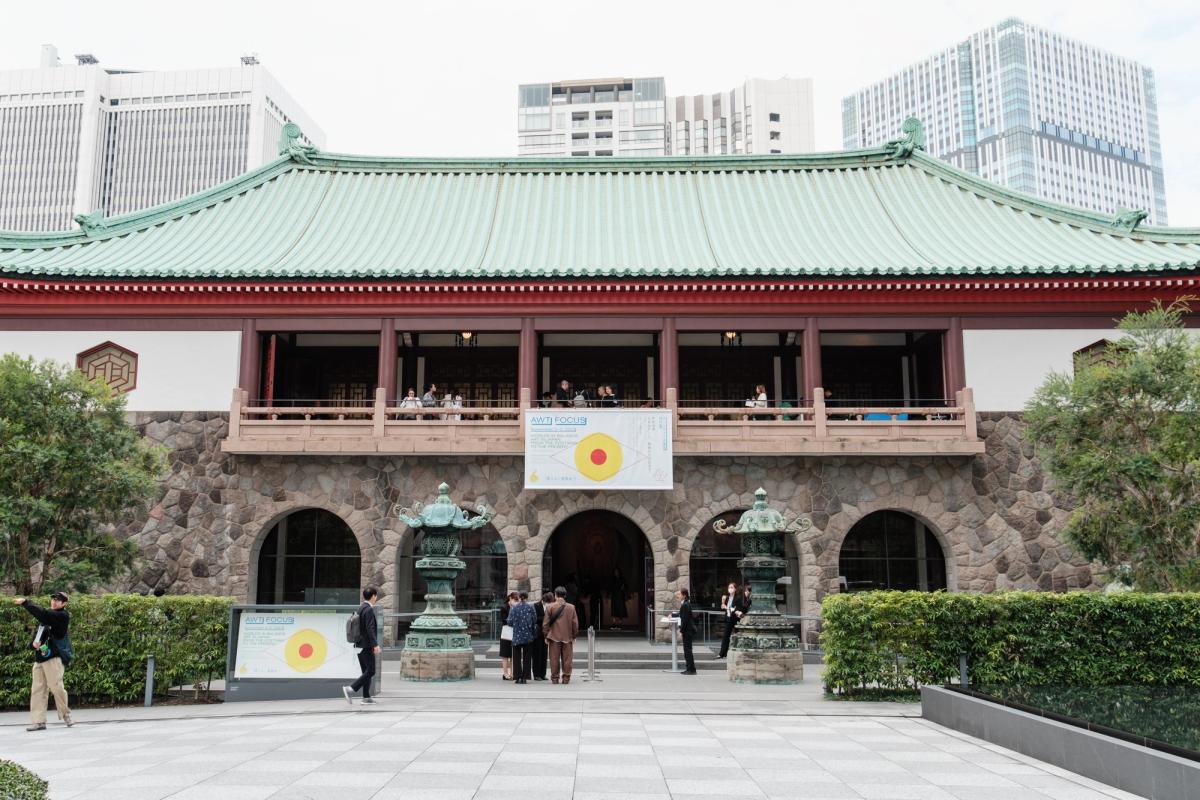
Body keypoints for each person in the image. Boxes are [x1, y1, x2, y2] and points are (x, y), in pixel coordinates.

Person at [13, 593, 72, 731]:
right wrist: (33, 644)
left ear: (64, 604)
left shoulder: (62, 616)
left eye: (58, 600)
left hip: (53, 658)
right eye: (53, 599)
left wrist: (26, 602)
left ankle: (66, 714)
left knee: (56, 687)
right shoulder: (45, 619)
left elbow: (43, 614)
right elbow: (38, 636)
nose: (54, 602)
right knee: (37, 690)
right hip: (40, 659)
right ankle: (38, 722)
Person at [343, 586, 381, 705]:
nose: (376, 597)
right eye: (376, 595)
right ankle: (351, 689)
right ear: (373, 596)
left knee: (366, 671)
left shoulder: (361, 608)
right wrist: (375, 644)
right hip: (367, 645)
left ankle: (366, 697)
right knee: (371, 671)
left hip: (359, 644)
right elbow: (370, 628)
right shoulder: (369, 609)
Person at [542, 586, 579, 684]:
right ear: (565, 595)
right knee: (567, 659)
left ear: (555, 595)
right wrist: (574, 636)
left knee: (554, 659)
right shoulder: (571, 607)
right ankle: (566, 678)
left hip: (554, 637)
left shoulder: (550, 607)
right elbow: (575, 624)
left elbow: (545, 624)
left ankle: (555, 678)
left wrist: (546, 636)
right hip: (567, 637)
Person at [508, 591, 537, 684]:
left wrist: (516, 625)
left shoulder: (514, 607)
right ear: (527, 597)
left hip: (517, 635)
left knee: (516, 657)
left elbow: (509, 622)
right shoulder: (530, 607)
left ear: (519, 597)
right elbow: (534, 620)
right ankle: (525, 677)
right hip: (528, 635)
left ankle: (517, 677)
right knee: (527, 657)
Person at [717, 581, 749, 659]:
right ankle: (722, 653)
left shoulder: (738, 598)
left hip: (735, 619)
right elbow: (722, 607)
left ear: (735, 589)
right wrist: (723, 602)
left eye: (732, 587)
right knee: (726, 636)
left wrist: (728, 608)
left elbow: (736, 609)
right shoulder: (727, 598)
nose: (730, 589)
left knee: (737, 635)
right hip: (728, 618)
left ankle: (739, 652)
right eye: (729, 587)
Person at [676, 587, 697, 675]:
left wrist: (681, 631)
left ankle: (691, 669)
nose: (678, 596)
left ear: (684, 595)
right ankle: (690, 668)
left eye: (680, 594)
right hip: (688, 630)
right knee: (687, 650)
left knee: (687, 650)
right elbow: (682, 615)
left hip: (687, 630)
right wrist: (673, 615)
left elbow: (684, 620)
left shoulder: (685, 605)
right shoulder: (685, 604)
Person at [532, 590, 551, 681]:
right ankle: (536, 674)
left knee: (544, 654)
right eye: (547, 602)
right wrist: (546, 618)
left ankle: (543, 674)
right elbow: (535, 619)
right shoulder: (536, 606)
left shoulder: (549, 606)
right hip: (538, 633)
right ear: (543, 600)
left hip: (545, 634)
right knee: (537, 654)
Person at [499, 591, 518, 680]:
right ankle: (505, 673)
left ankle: (512, 673)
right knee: (505, 655)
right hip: (506, 633)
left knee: (513, 655)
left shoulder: (516, 607)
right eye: (515, 600)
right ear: (510, 598)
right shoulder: (504, 607)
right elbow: (504, 621)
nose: (516, 602)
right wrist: (513, 621)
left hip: (514, 633)